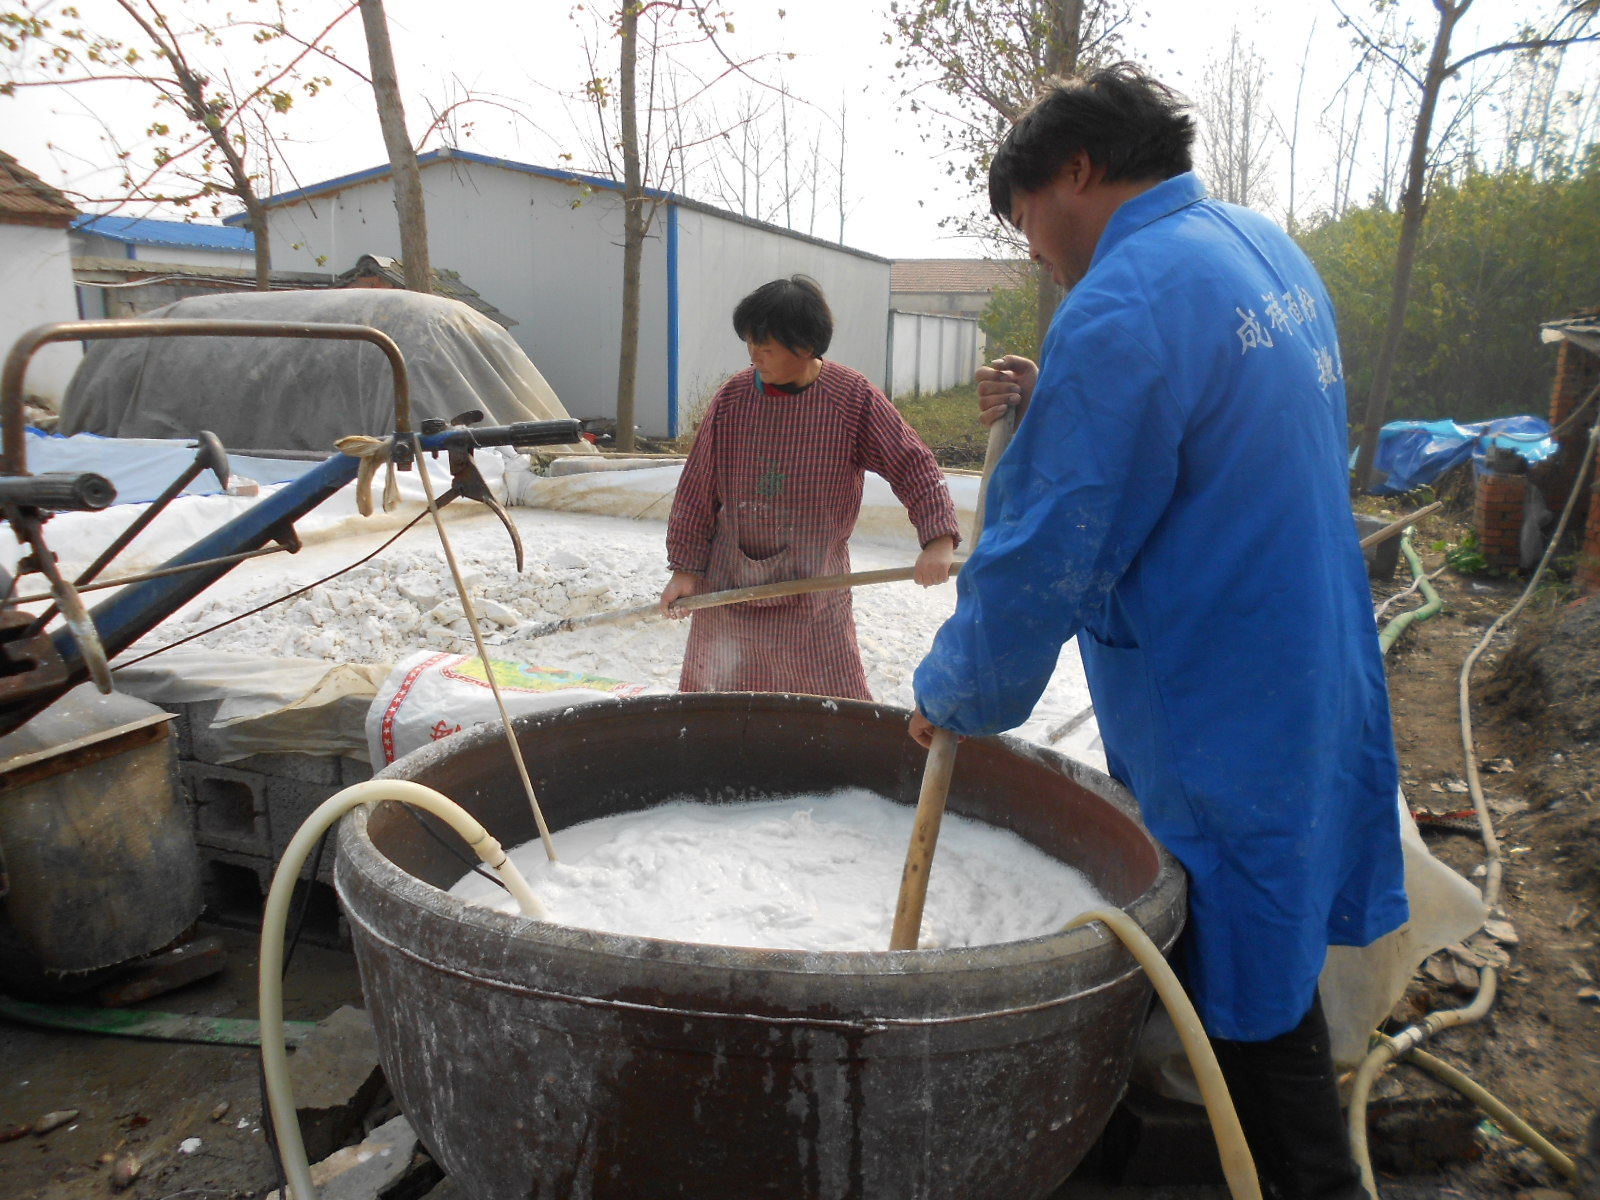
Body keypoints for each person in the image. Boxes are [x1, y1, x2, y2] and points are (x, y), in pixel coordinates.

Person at [908, 66, 1407, 1200]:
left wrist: (955, 692)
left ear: (1074, 171)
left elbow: (1045, 549)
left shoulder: (1124, 303)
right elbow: (1203, 430)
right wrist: (1063, 396)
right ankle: (1119, 1156)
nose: (1032, 246)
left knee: (1242, 1000)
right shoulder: (1256, 249)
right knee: (1240, 962)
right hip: (1306, 660)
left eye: (1025, 216)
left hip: (1217, 696)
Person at [661, 274, 959, 700]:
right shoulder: (732, 399)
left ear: (805, 348)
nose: (754, 357)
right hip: (729, 585)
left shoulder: (851, 398)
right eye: (750, 345)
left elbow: (912, 464)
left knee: (831, 705)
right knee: (719, 699)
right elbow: (697, 487)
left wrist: (938, 540)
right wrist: (685, 571)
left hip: (815, 589)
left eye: (765, 348)